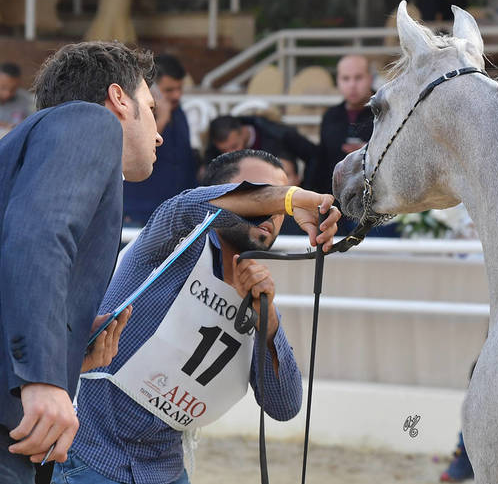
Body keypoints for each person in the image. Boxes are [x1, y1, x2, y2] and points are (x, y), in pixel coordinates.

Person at [56, 149, 341, 484]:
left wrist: (269, 323)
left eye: (278, 201)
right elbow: (186, 207)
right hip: (90, 458)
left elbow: (285, 405)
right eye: (261, 194)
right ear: (223, 196)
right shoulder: (172, 241)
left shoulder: (257, 294)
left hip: (167, 470)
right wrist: (290, 197)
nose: (273, 209)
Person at [0, 41, 161, 482]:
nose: (158, 132)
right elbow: (38, 238)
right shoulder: (89, 122)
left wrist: (69, 349)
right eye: (150, 108)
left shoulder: (34, 146)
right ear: (118, 99)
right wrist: (44, 377)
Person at [123, 55, 197, 226]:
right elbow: (137, 150)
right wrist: (161, 118)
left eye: (180, 88)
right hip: (139, 212)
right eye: (169, 90)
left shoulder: (178, 112)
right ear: (151, 88)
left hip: (174, 212)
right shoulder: (135, 114)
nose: (177, 95)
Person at [314, 54, 375, 193]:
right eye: (346, 79)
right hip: (336, 198)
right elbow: (322, 162)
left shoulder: (385, 111)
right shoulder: (330, 116)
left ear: (370, 78)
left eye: (358, 77)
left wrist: (370, 151)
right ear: (338, 81)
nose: (352, 85)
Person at [205, 114, 319, 187]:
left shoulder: (278, 134)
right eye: (224, 150)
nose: (231, 153)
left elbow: (313, 155)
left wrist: (306, 188)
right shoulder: (213, 151)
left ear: (243, 130)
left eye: (235, 146)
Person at [0, 63, 34, 136]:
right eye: (3, 87)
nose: (8, 93)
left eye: (13, 89)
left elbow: (31, 123)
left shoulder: (25, 99)